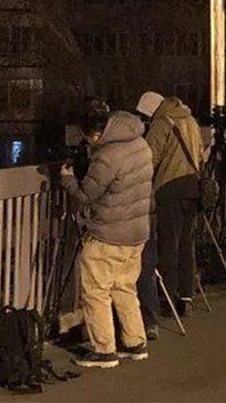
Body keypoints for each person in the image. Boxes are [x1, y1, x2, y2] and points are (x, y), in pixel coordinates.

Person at [60, 110, 153, 368]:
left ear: (97, 133)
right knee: (124, 287)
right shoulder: (140, 143)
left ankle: (104, 349)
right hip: (137, 232)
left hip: (109, 234)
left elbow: (86, 195)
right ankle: (135, 342)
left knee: (95, 290)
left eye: (88, 137)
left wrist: (68, 180)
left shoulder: (108, 156)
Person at [136, 91, 203, 316]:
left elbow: (149, 158)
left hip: (169, 187)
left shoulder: (161, 123)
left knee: (168, 245)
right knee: (186, 243)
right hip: (192, 186)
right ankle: (186, 296)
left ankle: (168, 297)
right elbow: (200, 154)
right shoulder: (190, 120)